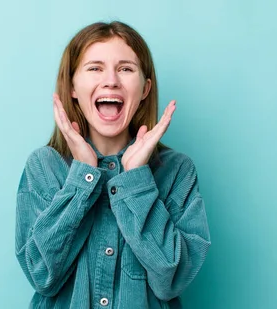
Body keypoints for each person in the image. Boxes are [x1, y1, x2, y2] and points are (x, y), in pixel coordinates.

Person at [15, 21, 211, 308]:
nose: (111, 81)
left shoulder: (177, 171)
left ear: (144, 89)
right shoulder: (44, 166)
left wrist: (135, 181)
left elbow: (172, 279)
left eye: (126, 69)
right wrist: (82, 178)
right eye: (95, 68)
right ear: (72, 86)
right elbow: (41, 275)